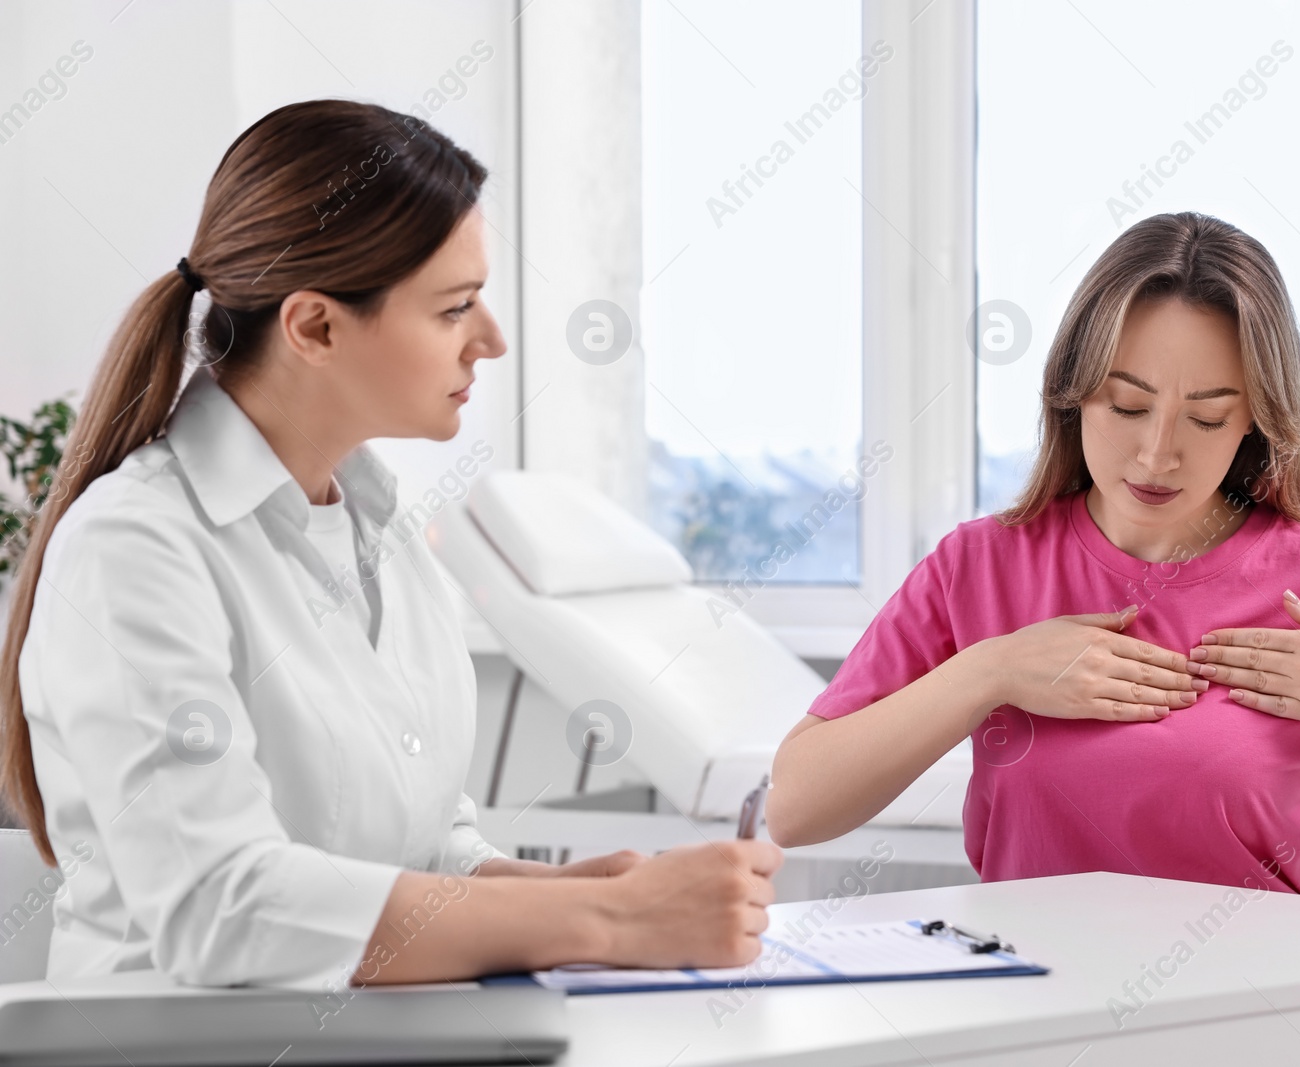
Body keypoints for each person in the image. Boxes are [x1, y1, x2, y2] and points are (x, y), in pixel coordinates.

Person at [0, 99, 780, 991]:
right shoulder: (134, 549)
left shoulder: (387, 535)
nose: (491, 340)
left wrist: (564, 891)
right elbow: (220, 910)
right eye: (455, 308)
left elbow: (428, 848)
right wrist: (603, 920)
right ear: (315, 327)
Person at [767, 212, 1300, 897]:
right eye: (1128, 405)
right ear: (1073, 390)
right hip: (1035, 1015)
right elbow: (796, 806)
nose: (1157, 455)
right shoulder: (978, 569)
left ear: (1257, 422)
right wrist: (992, 671)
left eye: (1207, 418)